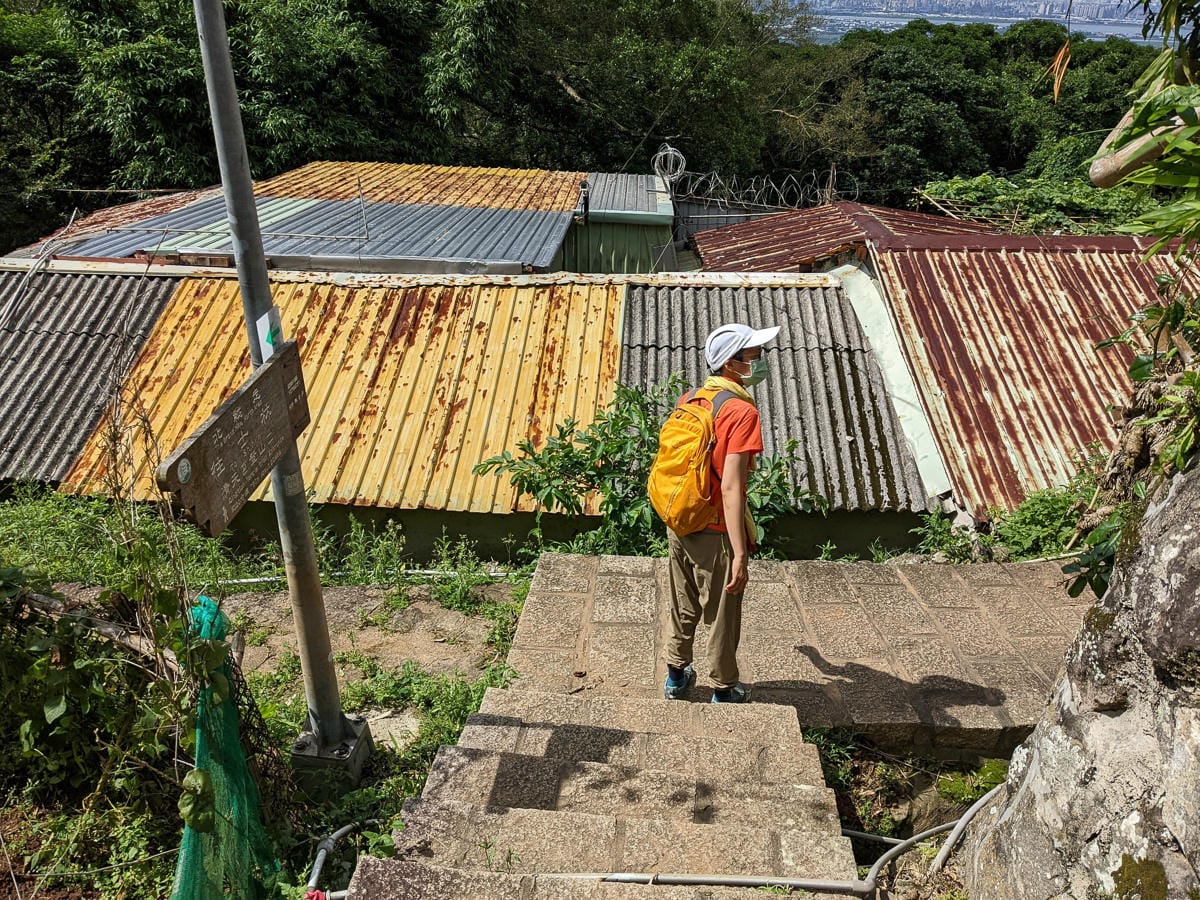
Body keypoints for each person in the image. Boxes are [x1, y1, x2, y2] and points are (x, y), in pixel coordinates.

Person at [662, 322, 778, 704]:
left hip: (680, 517)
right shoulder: (740, 411)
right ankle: (724, 688)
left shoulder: (692, 398)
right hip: (714, 527)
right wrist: (739, 551)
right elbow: (731, 486)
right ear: (732, 364)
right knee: (723, 611)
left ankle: (676, 677)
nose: (760, 362)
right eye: (754, 356)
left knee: (683, 599)